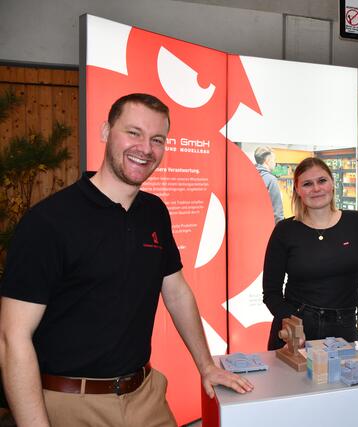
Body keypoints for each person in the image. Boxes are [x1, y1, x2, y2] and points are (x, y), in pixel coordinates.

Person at [0, 93, 253, 427]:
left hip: (145, 395)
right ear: (106, 131)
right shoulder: (49, 222)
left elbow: (176, 291)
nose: (145, 148)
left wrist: (206, 366)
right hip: (71, 403)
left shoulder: (154, 212)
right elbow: (12, 337)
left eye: (157, 139)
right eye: (134, 133)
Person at [262, 157, 358, 350]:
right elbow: (271, 293)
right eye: (307, 184)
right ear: (297, 190)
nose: (316, 189)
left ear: (332, 183)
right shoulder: (285, 230)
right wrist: (291, 322)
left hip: (343, 329)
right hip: (296, 330)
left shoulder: (356, 223)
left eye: (322, 181)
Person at [254, 146, 284, 223]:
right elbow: (277, 212)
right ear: (267, 161)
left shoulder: (250, 177)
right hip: (267, 225)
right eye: (274, 160)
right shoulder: (271, 180)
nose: (275, 163)